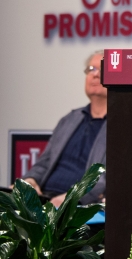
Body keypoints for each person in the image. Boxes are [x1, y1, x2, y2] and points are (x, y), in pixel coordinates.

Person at [22, 51, 107, 206]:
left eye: (101, 70)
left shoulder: (120, 127)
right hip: (45, 200)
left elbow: (106, 180)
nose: (95, 75)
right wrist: (30, 181)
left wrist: (70, 198)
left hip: (79, 206)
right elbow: (44, 163)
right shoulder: (69, 119)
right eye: (91, 69)